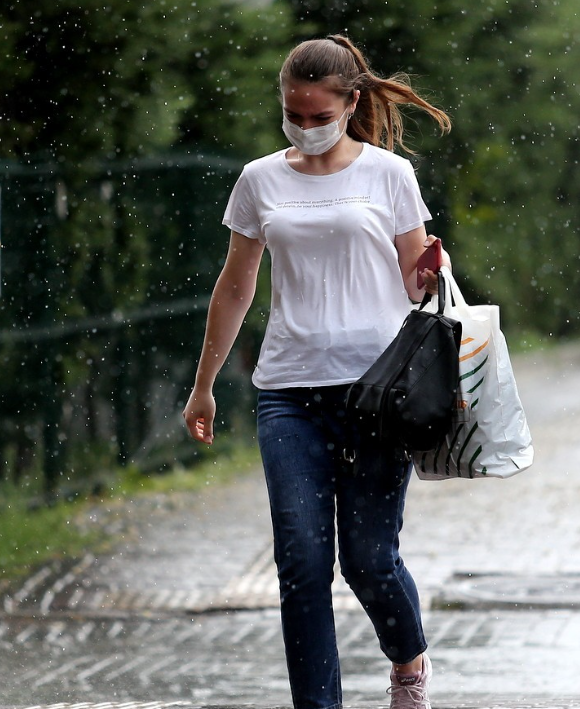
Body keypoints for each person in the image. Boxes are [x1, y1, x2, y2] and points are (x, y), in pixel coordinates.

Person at [183, 34, 452, 709]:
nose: (305, 128)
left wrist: (432, 273)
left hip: (376, 394)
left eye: (318, 115)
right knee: (302, 563)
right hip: (288, 393)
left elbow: (418, 284)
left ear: (350, 101)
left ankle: (408, 658)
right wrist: (204, 383)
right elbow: (237, 285)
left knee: (368, 560)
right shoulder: (259, 180)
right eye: (294, 115)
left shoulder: (389, 176)